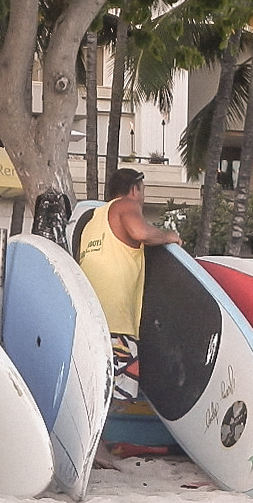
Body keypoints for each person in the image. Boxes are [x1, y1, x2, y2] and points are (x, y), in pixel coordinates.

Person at [75, 167, 179, 403]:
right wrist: (168, 236)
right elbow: (140, 232)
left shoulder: (92, 220)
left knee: (92, 397)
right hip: (116, 326)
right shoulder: (126, 205)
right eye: (142, 191)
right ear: (134, 190)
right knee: (116, 399)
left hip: (89, 324)